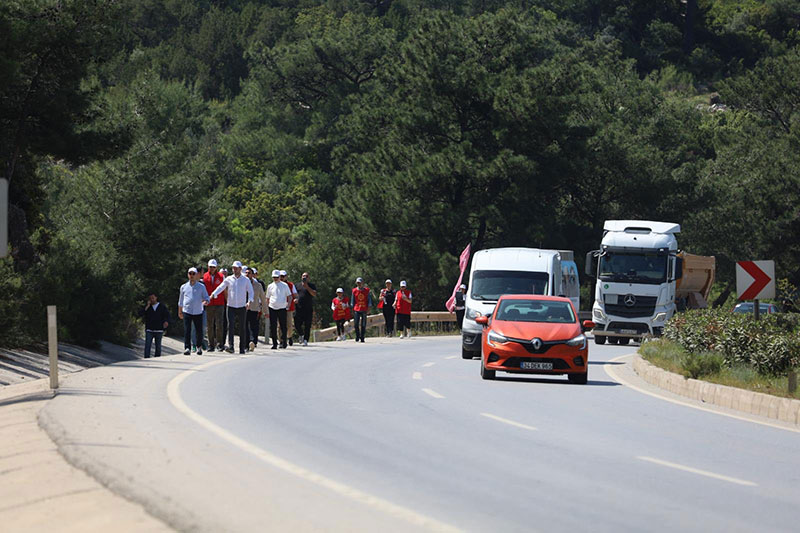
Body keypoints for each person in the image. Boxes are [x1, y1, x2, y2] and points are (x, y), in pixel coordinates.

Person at [210, 260, 253, 354]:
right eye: (233, 268)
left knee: (242, 327)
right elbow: (221, 287)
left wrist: (249, 301)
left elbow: (251, 292)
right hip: (231, 306)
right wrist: (213, 294)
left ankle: (242, 348)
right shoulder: (229, 279)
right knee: (231, 326)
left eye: (236, 268)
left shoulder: (245, 280)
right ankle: (231, 346)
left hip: (242, 306)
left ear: (240, 269)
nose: (234, 270)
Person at [178, 267, 209, 355]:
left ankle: (199, 347)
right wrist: (180, 311)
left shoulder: (201, 286)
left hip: (198, 311)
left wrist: (206, 301)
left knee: (199, 330)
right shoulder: (183, 287)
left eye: (193, 274)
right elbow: (180, 301)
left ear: (196, 275)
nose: (191, 276)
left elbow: (206, 297)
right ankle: (187, 347)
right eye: (190, 274)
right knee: (187, 330)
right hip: (187, 310)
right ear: (188, 275)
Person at [203, 259, 226, 352]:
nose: (212, 268)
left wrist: (226, 301)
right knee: (209, 325)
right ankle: (210, 344)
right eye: (210, 267)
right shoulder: (205, 276)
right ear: (208, 267)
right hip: (209, 303)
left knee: (219, 324)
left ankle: (220, 344)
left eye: (213, 267)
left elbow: (224, 289)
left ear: (216, 267)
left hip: (219, 303)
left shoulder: (221, 276)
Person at [266, 269, 292, 349]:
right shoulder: (270, 286)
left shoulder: (284, 285)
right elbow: (267, 298)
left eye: (277, 277)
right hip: (272, 307)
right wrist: (266, 308)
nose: (275, 279)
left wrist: (288, 305)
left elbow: (289, 296)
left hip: (282, 308)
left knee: (283, 326)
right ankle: (274, 343)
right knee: (273, 326)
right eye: (274, 277)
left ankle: (284, 342)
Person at [139, 293, 170, 358]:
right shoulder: (148, 307)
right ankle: (146, 358)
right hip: (149, 329)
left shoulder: (162, 306)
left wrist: (166, 322)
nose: (152, 300)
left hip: (159, 329)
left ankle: (157, 359)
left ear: (156, 298)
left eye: (153, 298)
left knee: (158, 346)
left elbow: (166, 315)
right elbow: (141, 314)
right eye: (150, 298)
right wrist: (146, 307)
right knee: (147, 345)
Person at [246, 266, 267, 352]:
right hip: (244, 308)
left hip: (254, 308)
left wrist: (265, 310)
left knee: (253, 326)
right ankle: (246, 343)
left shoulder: (258, 285)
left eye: (249, 273)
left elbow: (262, 297)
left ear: (253, 275)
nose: (247, 275)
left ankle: (253, 341)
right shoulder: (242, 283)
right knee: (245, 326)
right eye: (246, 273)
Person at [294, 272, 317, 346]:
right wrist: (295, 299)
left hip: (308, 308)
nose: (304, 277)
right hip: (298, 308)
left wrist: (307, 287)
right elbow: (294, 294)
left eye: (306, 276)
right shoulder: (297, 285)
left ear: (308, 278)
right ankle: (301, 334)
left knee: (307, 325)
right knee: (297, 324)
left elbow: (314, 294)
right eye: (303, 276)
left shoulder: (311, 285)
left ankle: (306, 339)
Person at [279, 270, 298, 345]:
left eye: (283, 276)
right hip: (279, 307)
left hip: (289, 308)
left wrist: (296, 298)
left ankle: (289, 336)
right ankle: (281, 339)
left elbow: (295, 294)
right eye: (280, 276)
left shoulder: (290, 285)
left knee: (289, 324)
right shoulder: (276, 285)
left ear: (286, 277)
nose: (282, 278)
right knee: (279, 325)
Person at [351, 277, 372, 342]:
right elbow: (352, 300)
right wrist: (352, 308)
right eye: (358, 283)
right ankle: (357, 335)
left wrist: (369, 308)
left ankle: (362, 337)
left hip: (364, 309)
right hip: (357, 309)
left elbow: (369, 300)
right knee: (356, 324)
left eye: (360, 283)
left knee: (363, 324)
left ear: (362, 283)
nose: (359, 284)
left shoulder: (366, 290)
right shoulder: (354, 291)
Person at [220, 267, 229, 348]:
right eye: (223, 273)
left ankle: (222, 342)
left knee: (224, 324)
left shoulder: (230, 282)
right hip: (217, 305)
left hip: (226, 305)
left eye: (225, 273)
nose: (224, 275)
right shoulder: (218, 282)